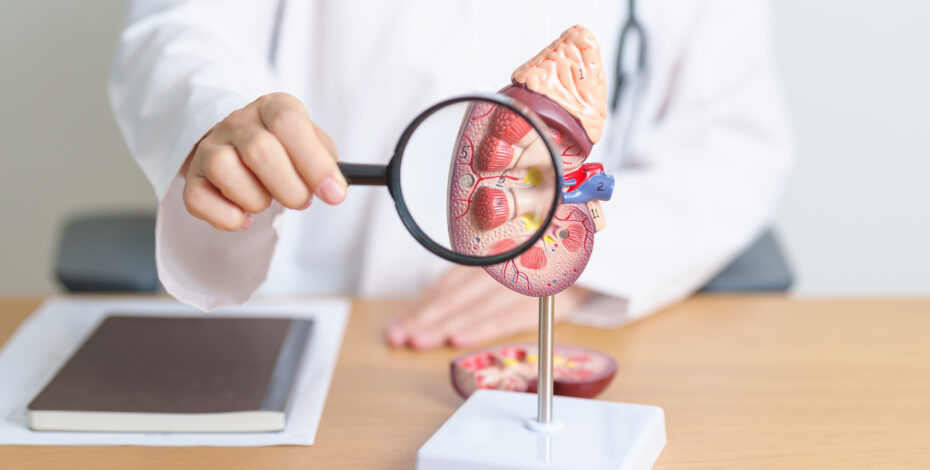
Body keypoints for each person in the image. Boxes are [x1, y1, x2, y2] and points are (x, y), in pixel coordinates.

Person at [109, 1, 793, 350]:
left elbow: (733, 139)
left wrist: (579, 259)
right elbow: (185, 29)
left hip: (554, 337)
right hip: (320, 319)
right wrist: (217, 117)